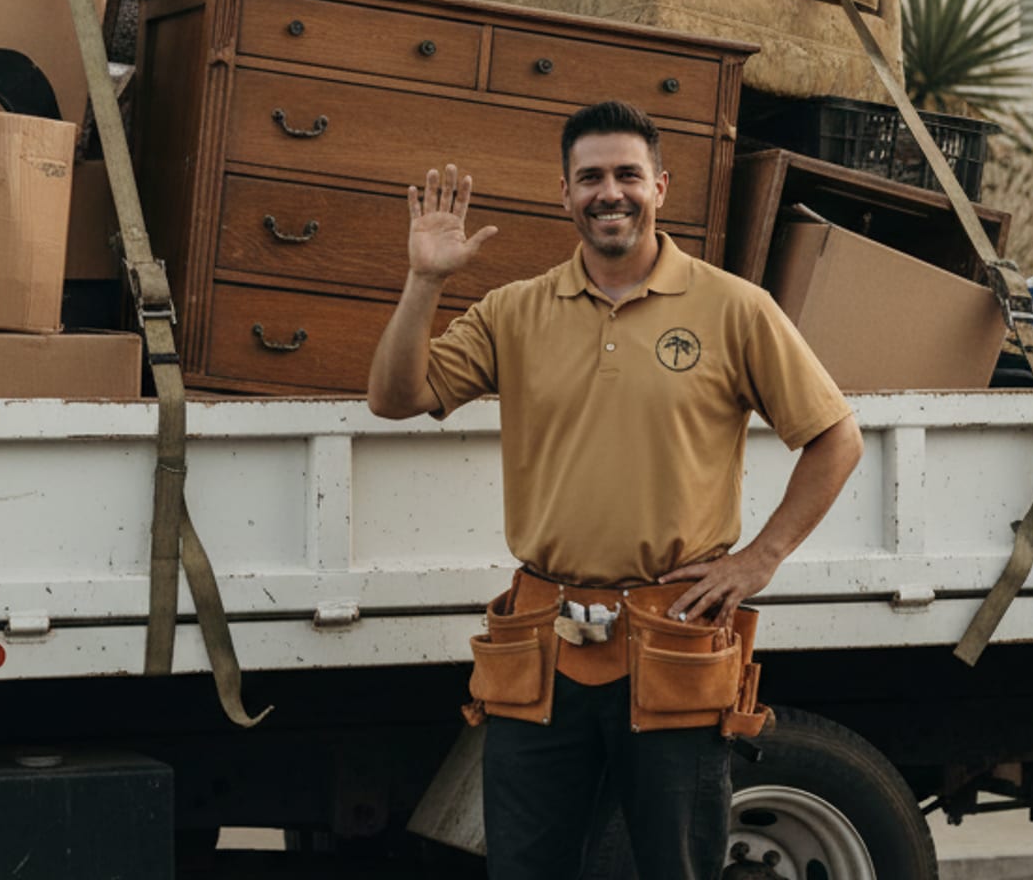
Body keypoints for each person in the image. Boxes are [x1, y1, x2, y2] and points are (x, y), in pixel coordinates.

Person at [367, 100, 864, 880]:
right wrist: (425, 281)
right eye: (590, 177)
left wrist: (759, 560)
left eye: (628, 174)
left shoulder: (734, 308)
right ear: (563, 193)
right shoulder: (514, 311)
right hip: (538, 650)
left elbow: (836, 437)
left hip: (674, 644)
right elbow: (395, 398)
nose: (611, 193)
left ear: (661, 186)